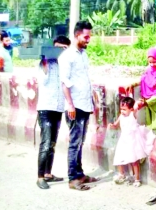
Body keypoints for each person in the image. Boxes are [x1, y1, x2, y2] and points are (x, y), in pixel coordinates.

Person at [59, 21, 99, 191]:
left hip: (85, 104)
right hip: (74, 105)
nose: (88, 39)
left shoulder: (83, 54)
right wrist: (70, 105)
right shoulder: (67, 56)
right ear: (77, 35)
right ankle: (73, 178)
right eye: (86, 36)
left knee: (80, 141)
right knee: (75, 142)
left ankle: (80, 173)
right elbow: (64, 83)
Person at [35, 36, 71, 190]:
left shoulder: (66, 66)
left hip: (58, 107)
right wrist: (44, 63)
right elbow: (42, 81)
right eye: (57, 47)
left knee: (52, 143)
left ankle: (48, 173)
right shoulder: (45, 64)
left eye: (63, 48)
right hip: (46, 108)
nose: (59, 51)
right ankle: (40, 177)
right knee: (46, 143)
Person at [109, 97, 149, 187]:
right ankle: (121, 174)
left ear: (131, 109)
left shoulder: (132, 114)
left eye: (124, 109)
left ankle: (137, 179)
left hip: (133, 141)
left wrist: (139, 102)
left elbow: (137, 106)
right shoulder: (121, 116)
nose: (122, 111)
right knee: (119, 157)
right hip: (123, 140)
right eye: (121, 109)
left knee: (134, 160)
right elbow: (116, 124)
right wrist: (112, 125)